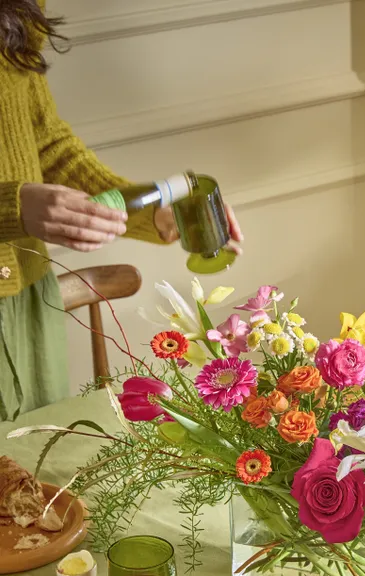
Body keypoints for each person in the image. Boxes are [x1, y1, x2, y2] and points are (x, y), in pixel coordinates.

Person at [0, 0, 242, 421]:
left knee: (39, 473)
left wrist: (153, 213)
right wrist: (11, 206)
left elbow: (45, 140)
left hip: (29, 295)